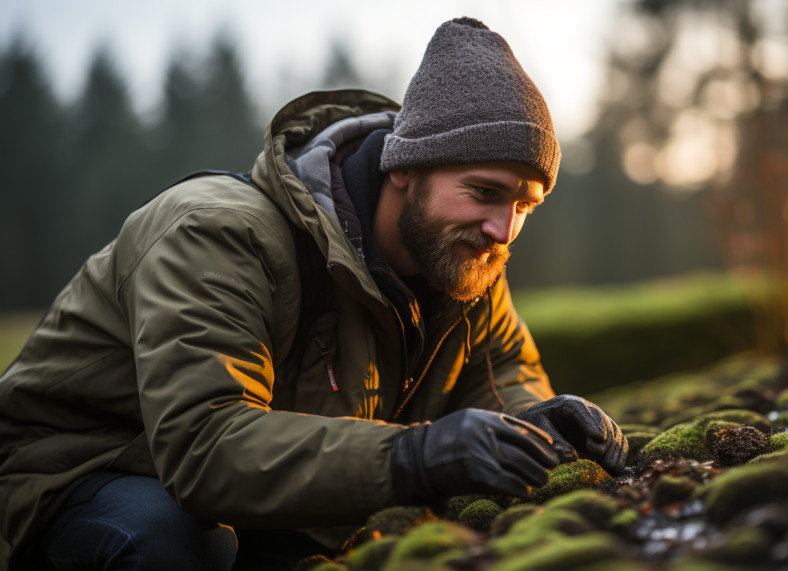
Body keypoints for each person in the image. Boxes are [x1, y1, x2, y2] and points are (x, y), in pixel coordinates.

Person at [0, 17, 627, 570]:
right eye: (485, 191)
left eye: (525, 204)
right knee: (175, 542)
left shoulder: (463, 255)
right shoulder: (216, 232)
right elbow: (206, 446)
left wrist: (535, 421)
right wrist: (416, 455)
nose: (503, 228)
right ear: (403, 167)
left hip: (241, 498)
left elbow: (503, 370)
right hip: (79, 473)